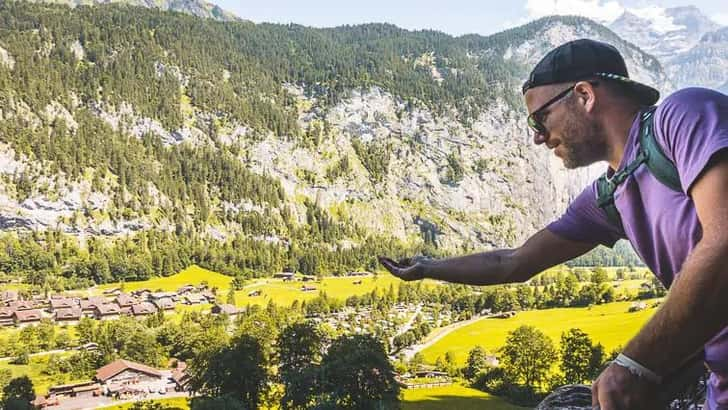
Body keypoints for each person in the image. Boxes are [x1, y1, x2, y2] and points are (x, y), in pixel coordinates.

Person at [379, 38, 728, 410]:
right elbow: (513, 262)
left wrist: (634, 364)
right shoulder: (609, 196)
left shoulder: (683, 116)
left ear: (583, 95)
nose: (538, 137)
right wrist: (427, 268)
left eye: (540, 117)